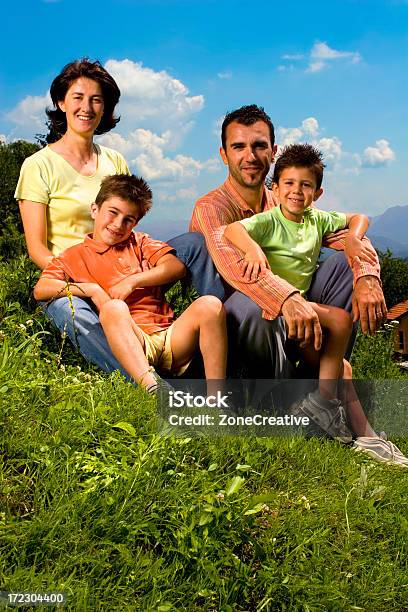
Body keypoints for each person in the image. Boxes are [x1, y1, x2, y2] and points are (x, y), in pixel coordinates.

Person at [15, 58, 224, 379]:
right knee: (73, 314)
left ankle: (225, 345)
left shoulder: (114, 160)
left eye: (96, 99)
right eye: (78, 97)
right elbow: (37, 250)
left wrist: (134, 276)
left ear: (105, 108)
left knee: (195, 243)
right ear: (61, 102)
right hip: (75, 280)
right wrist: (90, 284)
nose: (87, 107)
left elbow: (130, 224)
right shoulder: (38, 165)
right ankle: (147, 382)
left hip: (122, 270)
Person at [33, 174, 228, 395]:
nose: (118, 225)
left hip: (170, 336)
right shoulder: (72, 256)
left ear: (135, 223)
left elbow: (175, 266)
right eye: (113, 213)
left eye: (128, 220)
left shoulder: (140, 242)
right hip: (133, 342)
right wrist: (91, 289)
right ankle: (154, 389)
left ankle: (217, 398)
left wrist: (134, 280)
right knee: (114, 308)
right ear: (95, 209)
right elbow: (42, 288)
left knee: (210, 305)